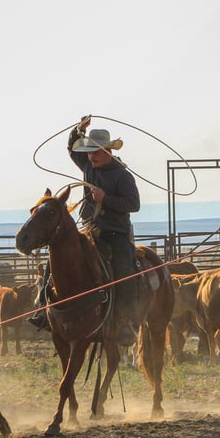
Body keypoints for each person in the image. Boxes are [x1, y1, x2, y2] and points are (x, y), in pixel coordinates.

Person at [28, 116, 141, 347]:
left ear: (108, 151)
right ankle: (43, 309)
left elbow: (133, 204)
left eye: (96, 152)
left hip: (115, 234)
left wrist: (105, 198)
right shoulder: (89, 165)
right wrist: (78, 130)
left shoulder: (122, 176)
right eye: (89, 152)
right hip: (89, 230)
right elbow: (72, 149)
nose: (91, 156)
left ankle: (125, 322)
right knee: (56, 259)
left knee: (123, 268)